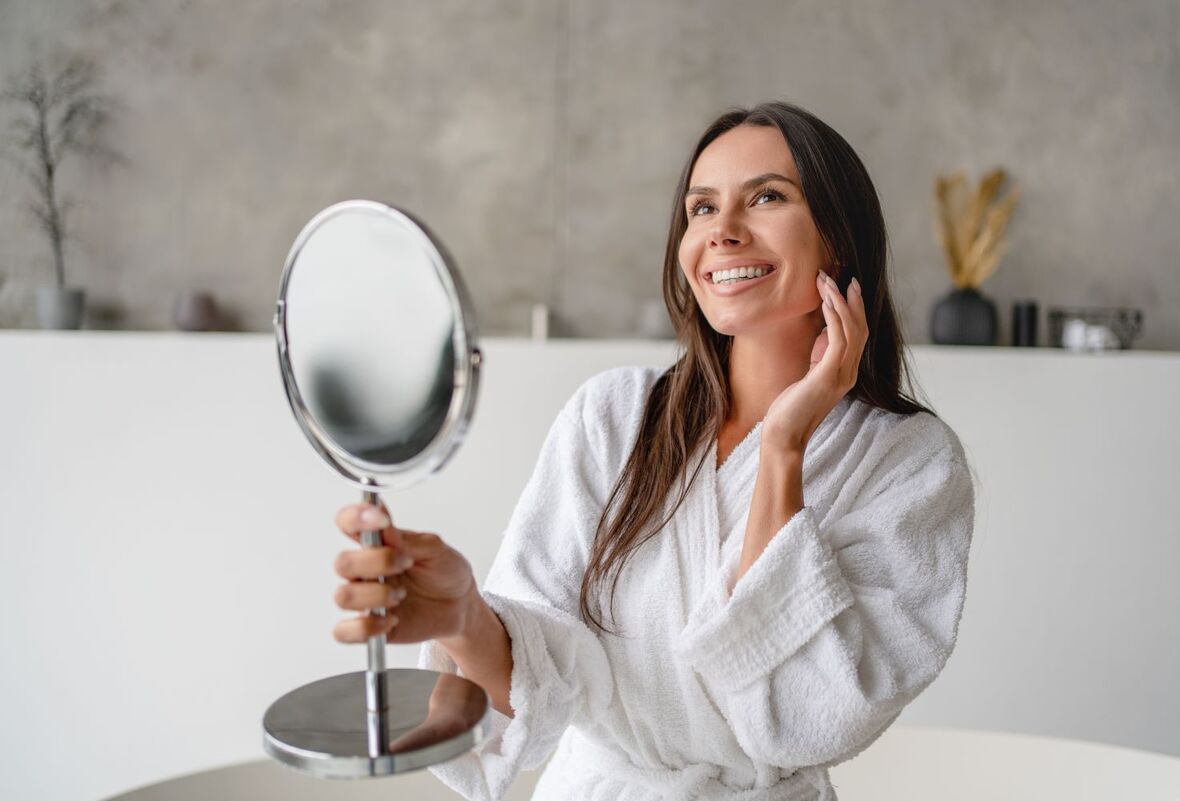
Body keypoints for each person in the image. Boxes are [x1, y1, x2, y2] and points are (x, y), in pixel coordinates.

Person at [330, 101, 976, 801]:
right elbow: (542, 676)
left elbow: (803, 716)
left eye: (766, 197)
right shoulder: (614, 417)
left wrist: (785, 444)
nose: (723, 232)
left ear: (839, 238)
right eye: (701, 208)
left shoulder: (911, 463)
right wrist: (462, 616)